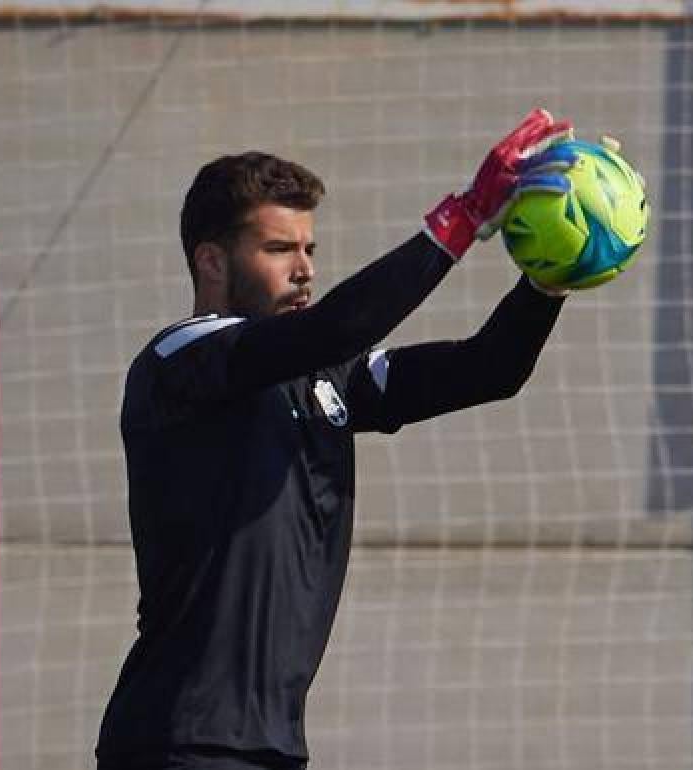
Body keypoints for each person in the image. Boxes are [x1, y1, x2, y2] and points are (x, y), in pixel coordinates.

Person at [96, 109, 578, 770]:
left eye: (309, 250)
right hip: (178, 740)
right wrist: (463, 217)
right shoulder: (181, 360)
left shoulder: (326, 380)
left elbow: (489, 369)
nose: (303, 269)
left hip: (272, 749)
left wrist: (550, 277)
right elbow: (336, 327)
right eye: (277, 250)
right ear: (210, 260)